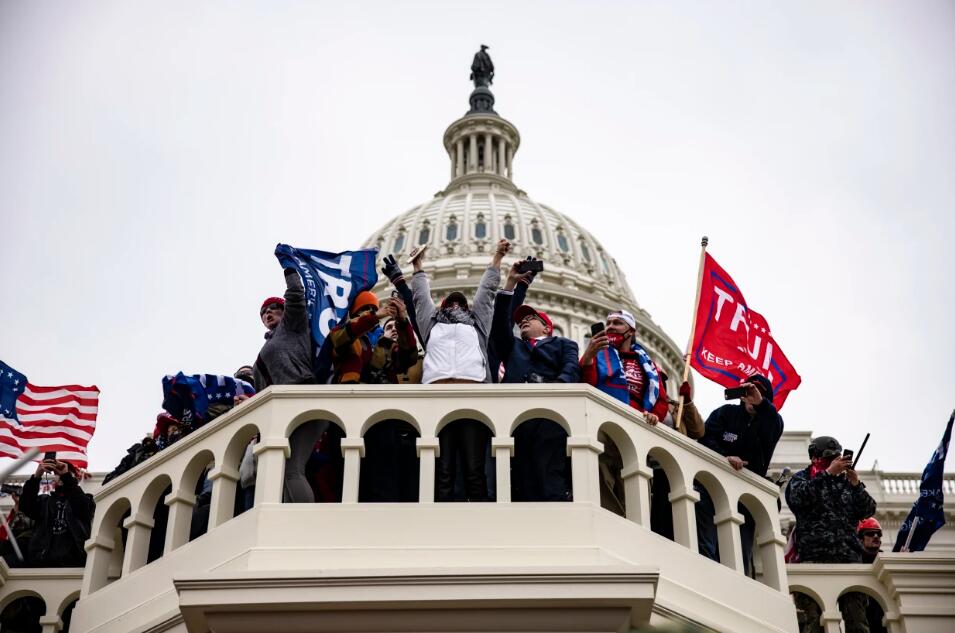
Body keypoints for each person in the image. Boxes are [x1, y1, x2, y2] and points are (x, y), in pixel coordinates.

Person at [411, 239, 505, 501]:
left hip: (472, 397)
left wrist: (496, 259)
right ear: (441, 307)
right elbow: (420, 298)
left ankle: (477, 519)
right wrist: (418, 267)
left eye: (460, 303)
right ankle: (440, 521)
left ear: (467, 308)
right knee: (443, 466)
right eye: (449, 303)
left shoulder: (477, 327)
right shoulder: (431, 326)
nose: (454, 306)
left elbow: (486, 294)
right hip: (436, 398)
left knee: (474, 467)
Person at [491, 261, 580, 500]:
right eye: (520, 320)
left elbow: (572, 367)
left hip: (550, 414)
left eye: (530, 318)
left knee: (548, 470)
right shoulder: (513, 347)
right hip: (516, 416)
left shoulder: (564, 344)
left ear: (548, 327)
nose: (523, 321)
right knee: (522, 476)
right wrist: (510, 284)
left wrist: (558, 387)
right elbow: (500, 324)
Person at [786, 436, 877, 633]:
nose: (834, 461)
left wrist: (856, 484)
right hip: (812, 560)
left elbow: (868, 510)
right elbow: (797, 498)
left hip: (849, 559)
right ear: (814, 457)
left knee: (858, 622)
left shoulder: (845, 483)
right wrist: (827, 474)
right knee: (813, 624)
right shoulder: (803, 478)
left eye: (837, 457)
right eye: (828, 458)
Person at [696, 374, 783, 574]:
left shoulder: (771, 422)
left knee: (739, 551)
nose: (751, 397)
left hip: (746, 496)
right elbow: (706, 437)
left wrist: (760, 403)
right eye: (748, 392)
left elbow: (773, 425)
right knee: (707, 539)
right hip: (713, 486)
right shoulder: (725, 414)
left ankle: (737, 579)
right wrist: (726, 457)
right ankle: (707, 571)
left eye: (759, 394)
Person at [254, 268, 325, 503]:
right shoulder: (268, 346)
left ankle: (302, 522)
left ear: (284, 311)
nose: (268, 313)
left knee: (292, 469)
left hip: (302, 399)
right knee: (280, 472)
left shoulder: (292, 326)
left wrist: (289, 268)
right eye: (263, 312)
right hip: (281, 412)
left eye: (273, 308)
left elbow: (295, 294)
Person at [579, 309, 670, 423]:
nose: (610, 327)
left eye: (617, 323)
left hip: (638, 421)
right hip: (602, 413)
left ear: (631, 331)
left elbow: (660, 399)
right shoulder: (596, 354)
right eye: (608, 323)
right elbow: (587, 385)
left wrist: (655, 415)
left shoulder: (648, 365)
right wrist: (589, 356)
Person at [19, 458, 94, 568]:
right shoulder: (44, 501)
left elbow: (82, 507)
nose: (60, 474)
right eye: (56, 473)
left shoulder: (86, 499)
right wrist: (37, 476)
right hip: (42, 562)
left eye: (68, 472)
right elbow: (25, 506)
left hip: (74, 563)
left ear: (75, 478)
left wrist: (66, 476)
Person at [858, 517, 888, 633]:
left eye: (878, 534)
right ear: (860, 540)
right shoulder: (855, 560)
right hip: (863, 615)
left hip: (883, 613)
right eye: (870, 534)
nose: (875, 536)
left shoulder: (886, 560)